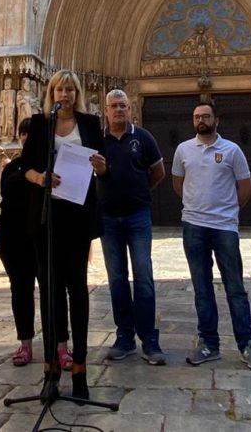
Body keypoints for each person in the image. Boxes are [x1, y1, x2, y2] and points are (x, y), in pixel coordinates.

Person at [22, 69, 104, 400]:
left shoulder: (90, 124)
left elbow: (103, 165)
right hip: (47, 218)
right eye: (60, 89)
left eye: (71, 89)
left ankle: (81, 369)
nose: (65, 94)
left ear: (78, 93)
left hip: (78, 216)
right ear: (51, 93)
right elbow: (23, 166)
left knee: (77, 291)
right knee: (50, 292)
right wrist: (40, 178)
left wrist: (102, 166)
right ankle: (51, 371)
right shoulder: (40, 124)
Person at [172, 101, 251, 370]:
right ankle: (208, 343)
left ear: (216, 120)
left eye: (206, 116)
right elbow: (178, 184)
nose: (201, 120)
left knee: (235, 288)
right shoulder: (183, 150)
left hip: (225, 227)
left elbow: (246, 187)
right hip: (193, 226)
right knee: (202, 288)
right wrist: (196, 205)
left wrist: (228, 212)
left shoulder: (232, 150)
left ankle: (247, 343)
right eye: (196, 116)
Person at [91, 89, 166, 364]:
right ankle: (124, 337)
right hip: (108, 217)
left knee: (143, 276)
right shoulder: (96, 140)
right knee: (117, 279)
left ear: (130, 108)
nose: (118, 109)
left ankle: (149, 339)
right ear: (106, 110)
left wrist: (140, 192)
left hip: (137, 216)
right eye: (113, 105)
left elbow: (159, 172)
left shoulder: (143, 137)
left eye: (123, 105)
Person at [0, 118, 69, 367]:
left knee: (53, 289)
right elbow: (9, 190)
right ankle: (25, 343)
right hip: (13, 237)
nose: (26, 137)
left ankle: (61, 345)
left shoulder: (53, 166)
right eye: (23, 133)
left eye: (32, 133)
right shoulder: (12, 167)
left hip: (44, 235)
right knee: (20, 288)